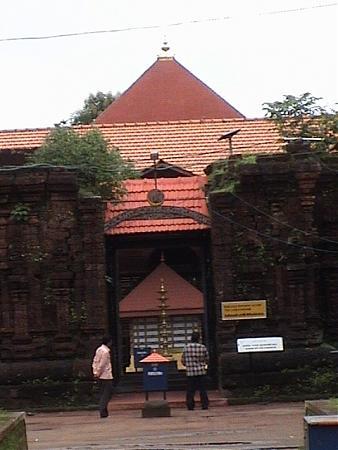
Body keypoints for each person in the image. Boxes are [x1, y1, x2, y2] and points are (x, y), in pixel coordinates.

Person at [181, 331, 209, 410]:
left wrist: (188, 365)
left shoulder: (186, 348)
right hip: (201, 371)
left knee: (190, 390)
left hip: (190, 372)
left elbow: (183, 360)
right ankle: (204, 405)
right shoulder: (202, 347)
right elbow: (207, 359)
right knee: (202, 390)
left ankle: (190, 405)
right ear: (199, 338)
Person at [92, 335, 114, 418]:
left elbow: (95, 361)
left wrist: (95, 372)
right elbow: (102, 364)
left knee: (103, 393)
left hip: (100, 375)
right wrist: (98, 372)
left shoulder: (99, 350)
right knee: (107, 393)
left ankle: (104, 410)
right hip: (106, 375)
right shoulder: (105, 352)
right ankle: (102, 409)